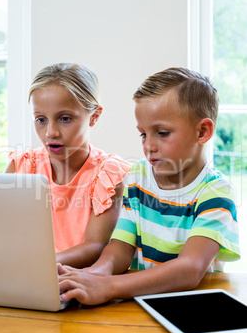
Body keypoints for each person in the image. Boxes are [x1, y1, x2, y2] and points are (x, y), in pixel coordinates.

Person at [58, 67, 240, 305]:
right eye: (143, 134)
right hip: (141, 302)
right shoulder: (138, 176)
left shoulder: (216, 192)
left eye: (162, 133)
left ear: (203, 131)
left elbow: (189, 269)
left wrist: (110, 286)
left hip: (193, 306)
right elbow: (121, 246)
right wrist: (97, 273)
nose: (149, 146)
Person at [5, 63, 131, 267]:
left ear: (94, 116)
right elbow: (2, 233)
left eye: (64, 118)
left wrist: (42, 266)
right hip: (22, 274)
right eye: (41, 119)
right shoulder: (21, 167)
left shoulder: (108, 175)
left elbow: (95, 245)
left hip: (74, 279)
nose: (50, 132)